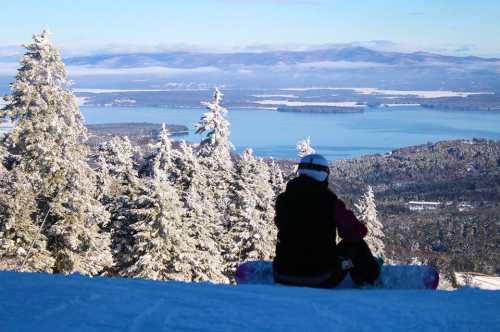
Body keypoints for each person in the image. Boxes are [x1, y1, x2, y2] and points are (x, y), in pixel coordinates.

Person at [273, 153, 381, 288]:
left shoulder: (283, 200)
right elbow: (355, 233)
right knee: (356, 245)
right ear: (324, 175)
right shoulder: (331, 202)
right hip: (321, 277)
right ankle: (369, 278)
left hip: (281, 274)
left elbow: (280, 223)